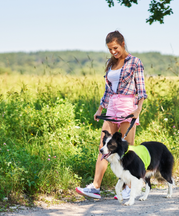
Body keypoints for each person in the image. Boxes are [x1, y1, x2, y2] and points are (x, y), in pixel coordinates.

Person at [75, 30, 147, 199]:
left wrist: (138, 110)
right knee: (103, 147)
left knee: (126, 149)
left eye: (115, 48)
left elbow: (141, 90)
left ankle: (130, 187)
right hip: (112, 107)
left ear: (123, 43)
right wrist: (100, 109)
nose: (113, 52)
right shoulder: (111, 64)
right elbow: (108, 90)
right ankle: (95, 187)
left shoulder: (135, 62)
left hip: (127, 107)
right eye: (110, 49)